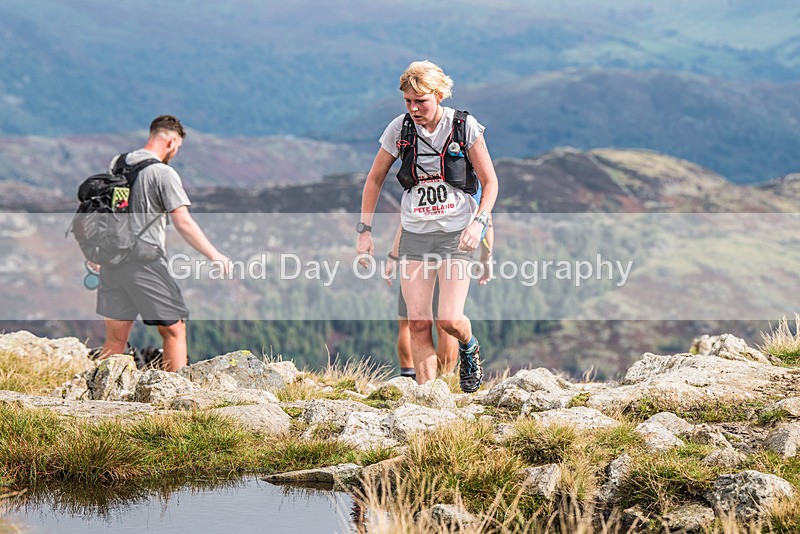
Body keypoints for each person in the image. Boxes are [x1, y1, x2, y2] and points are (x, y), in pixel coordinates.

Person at [357, 60, 499, 392]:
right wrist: (364, 232)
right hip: (415, 235)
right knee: (418, 323)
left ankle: (469, 346)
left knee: (449, 318)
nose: (414, 108)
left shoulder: (464, 126)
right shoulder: (399, 129)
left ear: (439, 94)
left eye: (420, 101)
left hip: (456, 233)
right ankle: (428, 399)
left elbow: (491, 183)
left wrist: (479, 224)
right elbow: (374, 180)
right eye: (408, 101)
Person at [94, 115, 231, 372]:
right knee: (174, 329)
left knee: (115, 339)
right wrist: (215, 255)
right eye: (177, 147)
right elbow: (183, 222)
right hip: (143, 262)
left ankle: (91, 396)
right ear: (171, 141)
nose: (175, 152)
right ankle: (173, 395)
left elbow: (111, 210)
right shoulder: (163, 173)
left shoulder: (118, 164)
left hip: (112, 262)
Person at [386, 213, 495, 381]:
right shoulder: (469, 189)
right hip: (448, 253)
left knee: (413, 323)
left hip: (417, 253)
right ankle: (440, 378)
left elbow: (406, 221)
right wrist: (486, 257)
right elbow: (486, 222)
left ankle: (413, 379)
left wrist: (394, 255)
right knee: (433, 325)